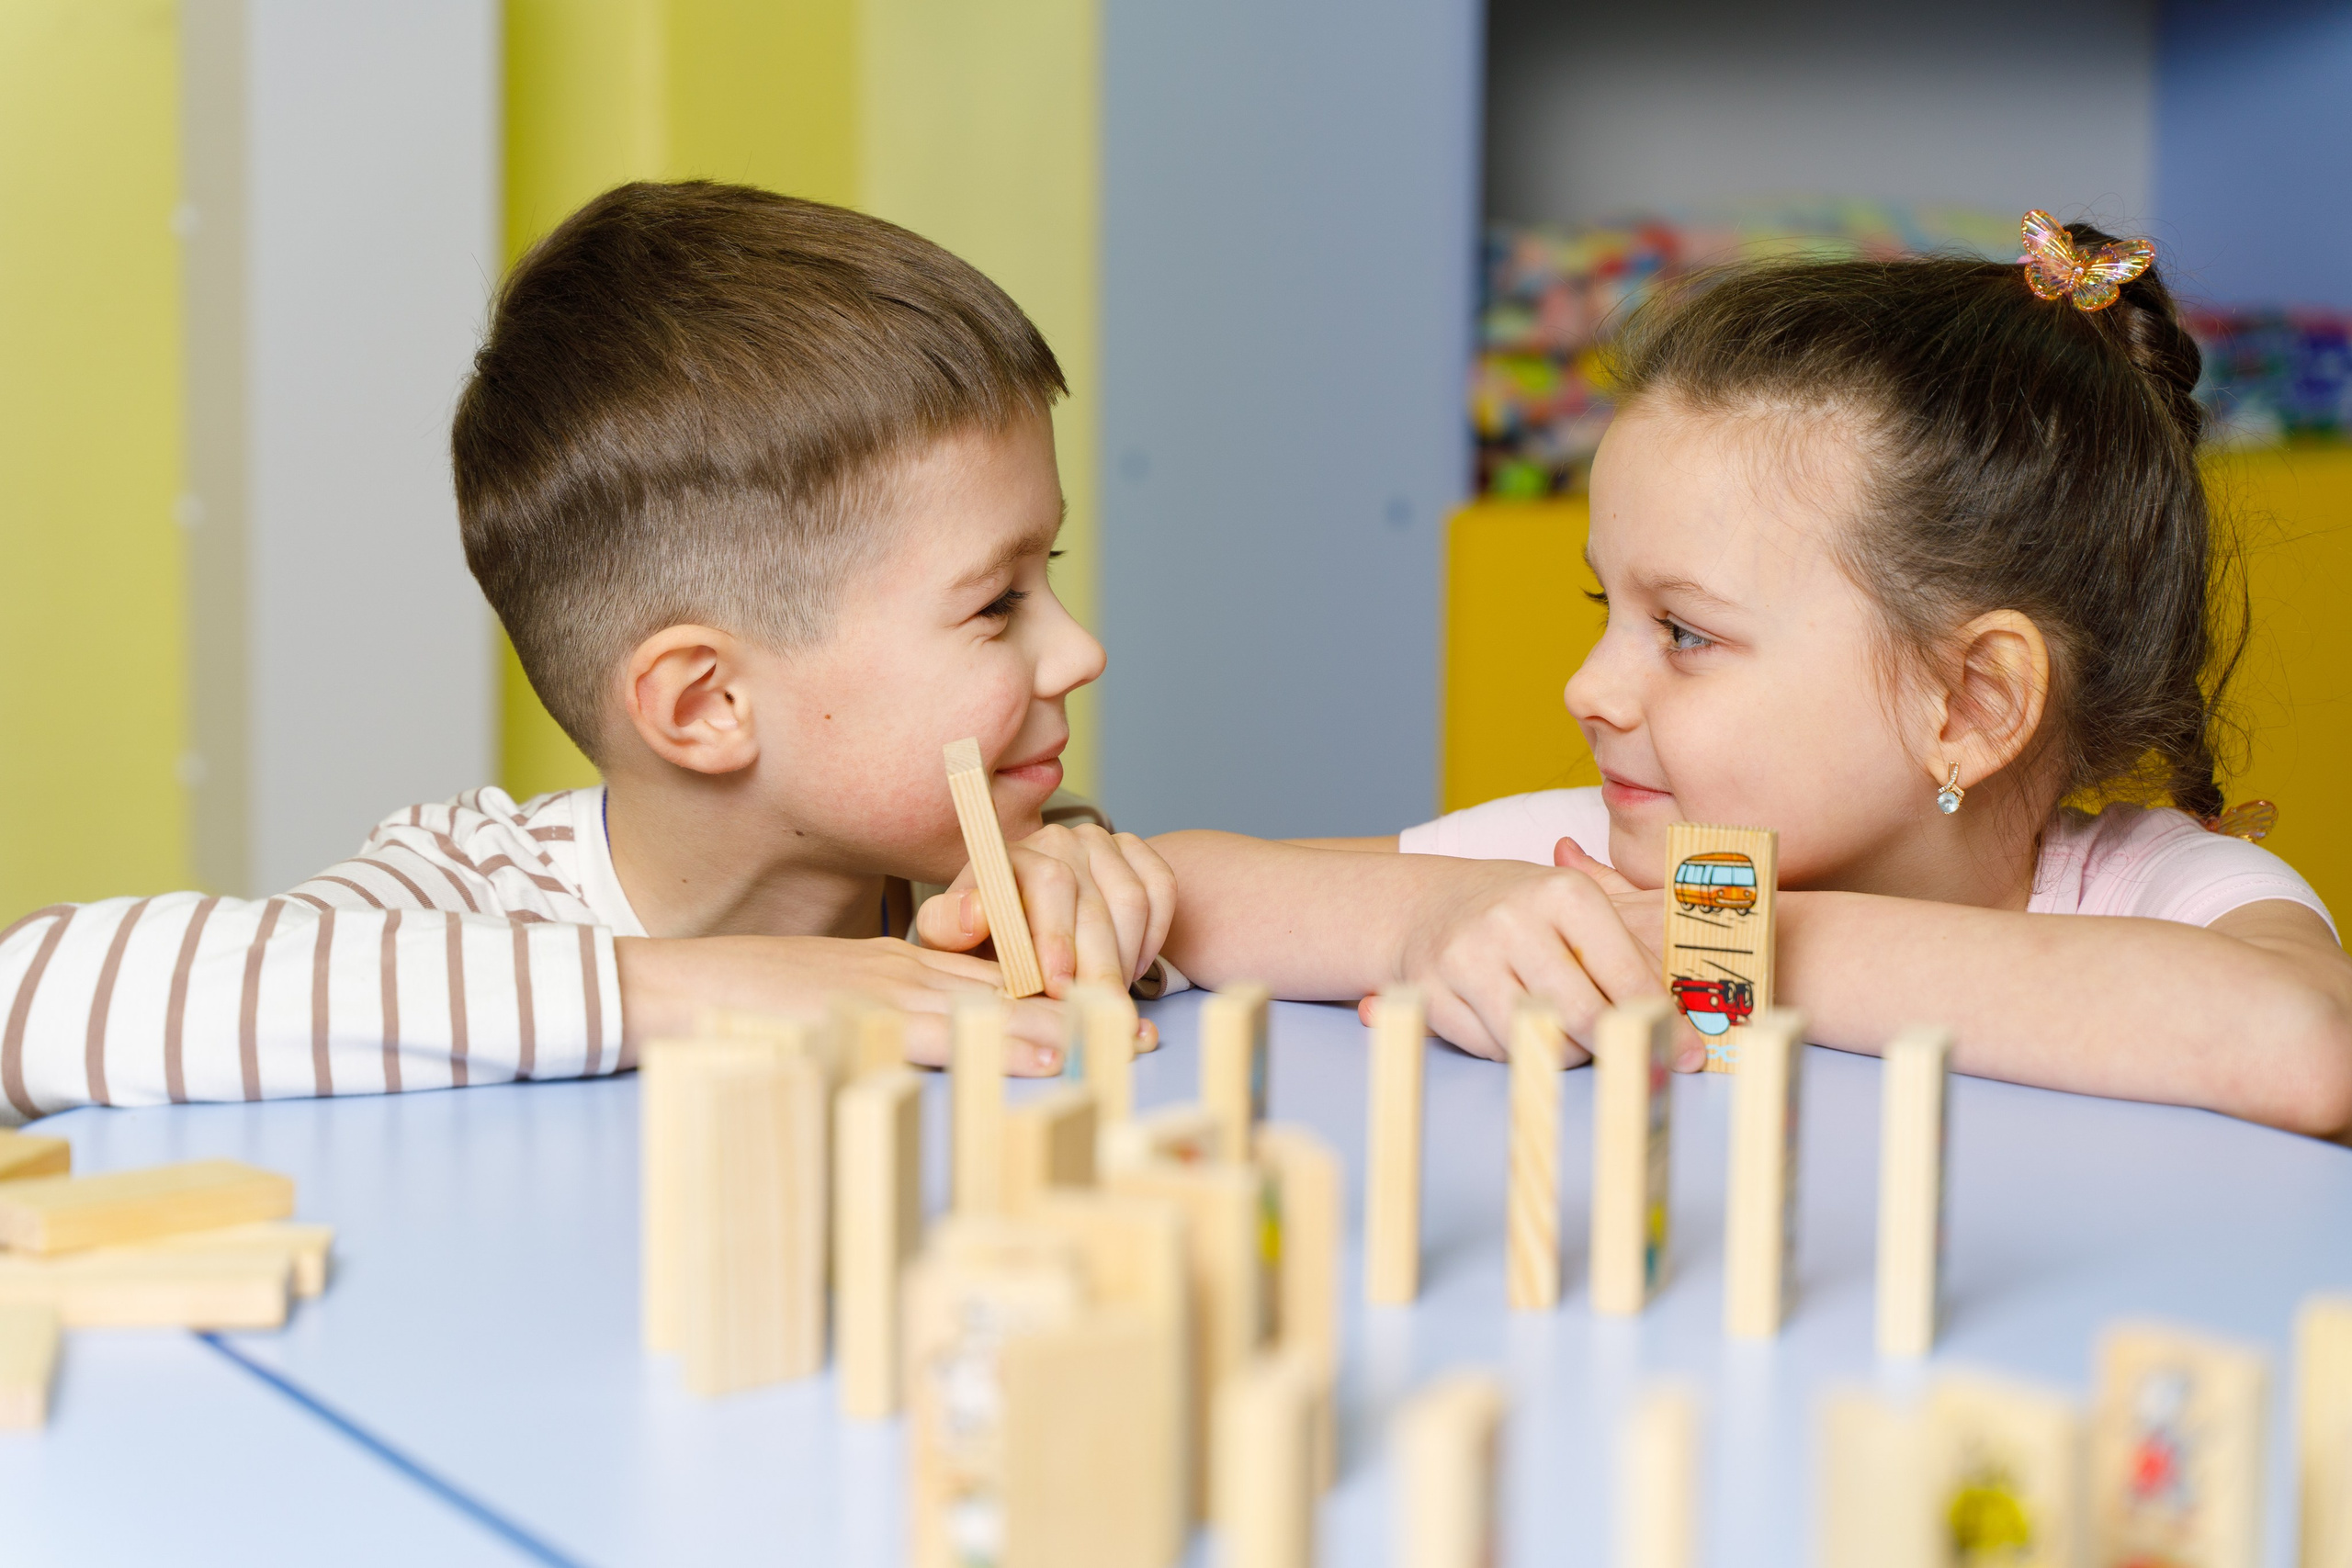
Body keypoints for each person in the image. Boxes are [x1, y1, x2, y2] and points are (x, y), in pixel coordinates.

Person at [1154, 217, 2352, 1140]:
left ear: (1971, 704)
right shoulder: (1606, 868)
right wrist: (1438, 921)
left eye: (1684, 632)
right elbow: (1190, 889)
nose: (1586, 689)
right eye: (1607, 609)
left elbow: (2307, 1045)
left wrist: (1736, 940)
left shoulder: (2160, 892)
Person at [0, 182, 1172, 1122]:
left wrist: (1132, 889)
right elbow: (32, 995)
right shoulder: (479, 890)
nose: (1080, 650)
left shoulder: (992, 880)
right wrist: (718, 989)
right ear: (706, 704)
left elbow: (1257, 915)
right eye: (996, 603)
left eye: (1050, 573)